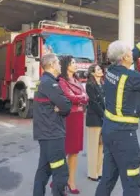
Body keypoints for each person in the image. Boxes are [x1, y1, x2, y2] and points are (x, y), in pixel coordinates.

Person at [95, 23, 140, 196]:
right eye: (129, 52)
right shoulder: (130, 77)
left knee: (107, 179)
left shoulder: (111, 69)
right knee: (132, 183)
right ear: (125, 57)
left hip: (109, 131)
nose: (131, 53)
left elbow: (135, 52)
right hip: (124, 135)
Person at [33, 53, 72, 196]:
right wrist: (61, 108)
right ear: (51, 65)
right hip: (52, 133)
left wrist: (60, 107)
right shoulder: (50, 83)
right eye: (58, 63)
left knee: (44, 170)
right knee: (61, 172)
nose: (60, 66)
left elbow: (61, 105)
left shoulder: (44, 81)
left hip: (45, 133)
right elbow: (66, 105)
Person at [54, 55, 89, 194]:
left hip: (79, 116)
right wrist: (81, 98)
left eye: (75, 62)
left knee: (74, 152)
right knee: (64, 151)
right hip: (68, 117)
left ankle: (71, 180)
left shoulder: (77, 80)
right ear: (65, 65)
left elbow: (86, 97)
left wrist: (80, 98)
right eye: (72, 62)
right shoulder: (62, 81)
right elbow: (70, 97)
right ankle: (58, 180)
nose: (75, 64)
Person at [85, 64, 105, 181]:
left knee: (101, 146)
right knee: (93, 147)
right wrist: (104, 114)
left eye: (100, 69)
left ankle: (99, 171)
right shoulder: (90, 85)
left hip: (103, 118)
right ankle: (92, 173)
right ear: (93, 73)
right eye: (98, 69)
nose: (100, 70)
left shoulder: (102, 84)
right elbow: (93, 103)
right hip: (94, 119)